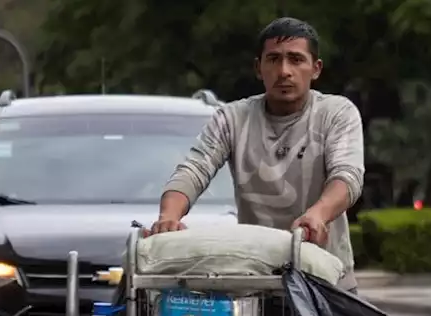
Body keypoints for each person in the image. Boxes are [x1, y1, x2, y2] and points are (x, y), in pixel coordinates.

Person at [152, 17, 365, 292]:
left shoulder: (336, 112)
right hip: (258, 280)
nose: (284, 70)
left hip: (326, 279)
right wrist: (169, 216)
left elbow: (347, 175)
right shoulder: (231, 118)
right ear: (258, 67)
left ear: (315, 68)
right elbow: (194, 169)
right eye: (273, 59)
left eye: (296, 59)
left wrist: (318, 215)